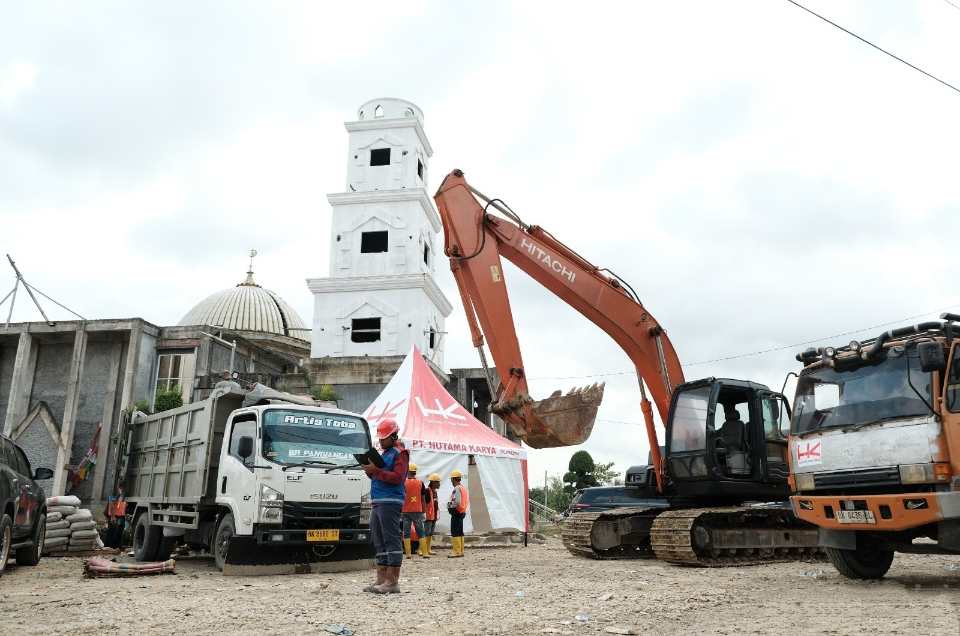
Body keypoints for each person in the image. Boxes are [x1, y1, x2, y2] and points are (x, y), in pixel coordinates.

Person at [362, 419, 409, 594]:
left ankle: (392, 582)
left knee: (391, 539)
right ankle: (381, 580)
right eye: (380, 439)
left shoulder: (400, 453)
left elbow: (397, 477)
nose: (381, 442)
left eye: (384, 438)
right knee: (379, 540)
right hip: (378, 501)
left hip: (390, 501)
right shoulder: (385, 453)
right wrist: (370, 472)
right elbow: (380, 476)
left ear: (394, 435)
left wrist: (376, 471)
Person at [402, 463, 429, 558]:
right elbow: (423, 498)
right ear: (415, 472)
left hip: (405, 510)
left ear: (407, 471)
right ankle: (425, 553)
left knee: (406, 532)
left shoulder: (403, 482)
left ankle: (408, 554)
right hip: (417, 510)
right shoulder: (420, 483)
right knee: (420, 531)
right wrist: (424, 511)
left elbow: (401, 497)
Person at [447, 469, 469, 558]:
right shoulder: (463, 488)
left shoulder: (456, 488)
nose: (451, 481)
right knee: (460, 532)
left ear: (454, 479)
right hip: (462, 511)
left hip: (456, 512)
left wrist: (449, 504)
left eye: (451, 479)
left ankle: (456, 552)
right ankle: (461, 551)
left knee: (455, 531)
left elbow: (457, 501)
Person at [423, 473, 441, 556]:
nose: (439, 484)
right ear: (433, 482)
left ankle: (428, 549)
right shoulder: (427, 491)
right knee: (426, 533)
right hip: (428, 516)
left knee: (430, 533)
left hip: (433, 515)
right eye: (438, 482)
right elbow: (424, 503)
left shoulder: (435, 492)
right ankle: (422, 549)